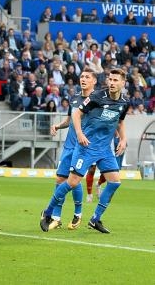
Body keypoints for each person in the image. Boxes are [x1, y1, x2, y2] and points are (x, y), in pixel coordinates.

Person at [43, 68, 129, 234]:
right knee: (72, 182)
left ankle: (95, 219)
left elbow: (120, 122)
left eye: (115, 80)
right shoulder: (97, 97)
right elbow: (76, 115)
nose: (111, 83)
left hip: (105, 149)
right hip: (87, 147)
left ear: (123, 83)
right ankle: (48, 212)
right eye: (110, 80)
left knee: (115, 182)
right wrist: (80, 134)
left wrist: (123, 139)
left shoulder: (124, 102)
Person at [41, 68, 96, 232]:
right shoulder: (75, 99)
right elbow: (69, 120)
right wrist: (57, 125)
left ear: (94, 81)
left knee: (73, 180)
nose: (83, 79)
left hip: (83, 147)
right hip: (69, 146)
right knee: (60, 180)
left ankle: (78, 214)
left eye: (87, 77)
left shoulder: (97, 101)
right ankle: (56, 218)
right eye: (82, 76)